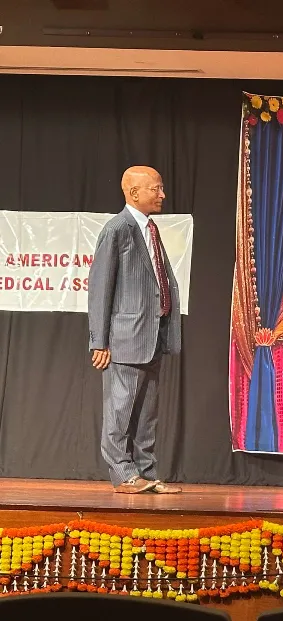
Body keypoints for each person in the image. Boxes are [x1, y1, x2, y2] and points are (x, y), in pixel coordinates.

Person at [88, 165, 182, 495]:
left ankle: (146, 471)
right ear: (134, 192)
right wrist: (99, 340)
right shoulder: (118, 229)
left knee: (146, 414)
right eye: (156, 189)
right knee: (120, 411)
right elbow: (100, 288)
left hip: (152, 336)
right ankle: (123, 473)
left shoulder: (150, 229)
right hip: (125, 338)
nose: (162, 195)